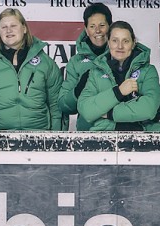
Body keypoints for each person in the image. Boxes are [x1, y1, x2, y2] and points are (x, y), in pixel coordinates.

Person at [0, 8, 63, 131]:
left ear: (24, 29)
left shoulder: (45, 63)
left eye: (13, 25)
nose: (9, 30)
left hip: (39, 138)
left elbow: (56, 104)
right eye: (4, 27)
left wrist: (56, 137)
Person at [77, 21, 160, 131]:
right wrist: (118, 92)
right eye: (115, 41)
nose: (120, 46)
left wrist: (109, 114)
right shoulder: (96, 73)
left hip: (145, 134)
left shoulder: (148, 71)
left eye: (126, 41)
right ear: (108, 42)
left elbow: (149, 109)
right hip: (105, 135)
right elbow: (86, 110)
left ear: (133, 43)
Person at [58, 3, 112, 131]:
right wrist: (78, 89)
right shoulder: (76, 62)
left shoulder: (122, 55)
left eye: (102, 25)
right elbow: (64, 105)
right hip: (88, 131)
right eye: (92, 26)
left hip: (120, 129)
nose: (97, 31)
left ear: (110, 27)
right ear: (86, 30)